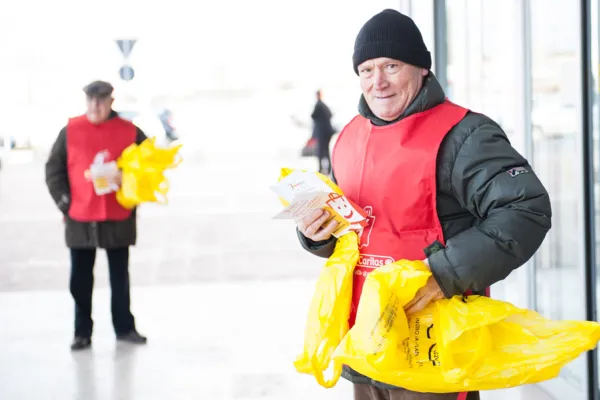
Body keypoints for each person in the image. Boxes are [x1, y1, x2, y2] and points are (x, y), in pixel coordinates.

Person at [296, 9, 552, 400]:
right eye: (366, 70)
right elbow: (350, 226)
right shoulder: (349, 136)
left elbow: (525, 210)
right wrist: (316, 235)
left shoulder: (465, 134)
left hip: (431, 345)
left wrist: (442, 274)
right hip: (366, 343)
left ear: (421, 69)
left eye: (391, 66)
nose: (377, 82)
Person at [45, 80, 148, 351]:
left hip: (118, 215)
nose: (95, 105)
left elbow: (151, 165)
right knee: (80, 278)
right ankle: (82, 332)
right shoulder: (70, 131)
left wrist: (130, 180)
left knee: (119, 277)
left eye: (101, 100)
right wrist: (65, 203)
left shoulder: (130, 132)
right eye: (91, 100)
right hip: (80, 217)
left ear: (111, 102)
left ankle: (125, 328)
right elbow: (53, 169)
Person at [311, 89, 336, 174]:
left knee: (321, 152)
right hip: (326, 133)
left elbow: (313, 116)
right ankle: (328, 169)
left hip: (322, 134)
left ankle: (322, 169)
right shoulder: (324, 105)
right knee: (325, 152)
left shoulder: (319, 105)